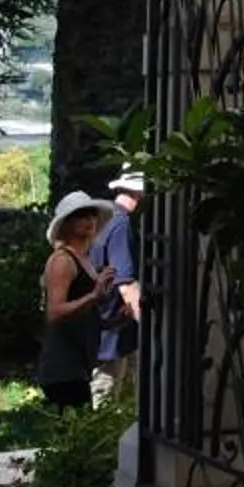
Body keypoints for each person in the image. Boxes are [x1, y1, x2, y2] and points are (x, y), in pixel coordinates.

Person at [0, 192, 119, 487]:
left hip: (76, 364)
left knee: (71, 451)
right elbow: (56, 312)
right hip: (62, 369)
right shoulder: (62, 261)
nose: (87, 222)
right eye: (79, 217)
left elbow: (87, 314)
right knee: (72, 452)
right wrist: (94, 295)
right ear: (65, 224)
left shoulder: (85, 259)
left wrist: (109, 311)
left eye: (91, 215)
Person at [91, 169, 143, 398]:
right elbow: (125, 283)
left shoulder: (104, 219)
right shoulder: (121, 224)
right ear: (138, 195)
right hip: (113, 326)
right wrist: (148, 324)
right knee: (106, 388)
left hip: (100, 320)